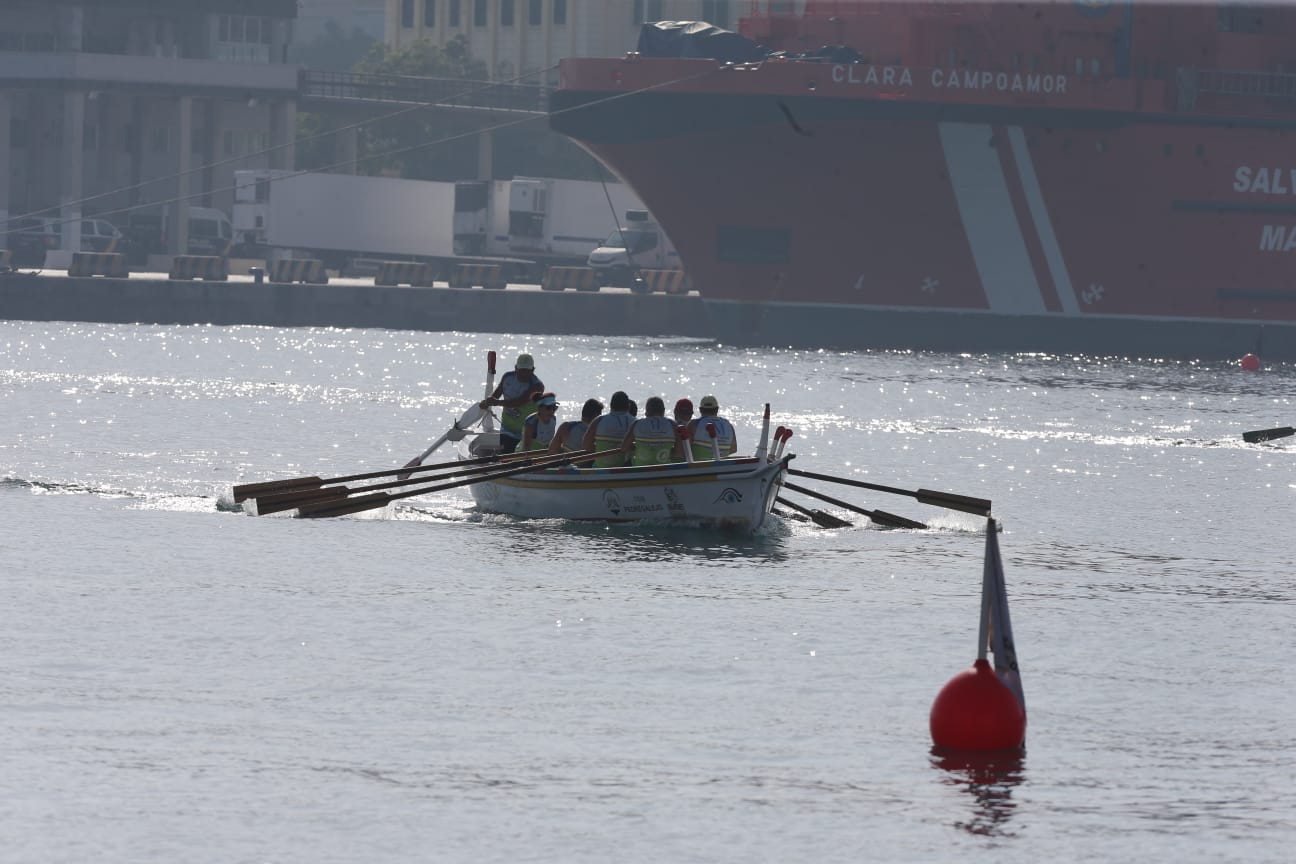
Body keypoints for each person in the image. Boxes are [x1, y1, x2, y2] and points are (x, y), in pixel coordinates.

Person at [479, 353, 544, 454]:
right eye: (521, 371)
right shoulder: (507, 377)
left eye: (527, 372)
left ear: (533, 370)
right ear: (516, 368)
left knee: (520, 459)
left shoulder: (537, 386)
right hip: (507, 429)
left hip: (528, 433)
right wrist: (488, 401)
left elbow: (519, 402)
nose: (524, 375)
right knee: (506, 454)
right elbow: (497, 393)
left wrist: (496, 402)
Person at [620, 395, 681, 466]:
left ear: (647, 411)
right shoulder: (673, 425)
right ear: (663, 411)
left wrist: (638, 446)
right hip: (663, 470)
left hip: (640, 469)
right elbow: (679, 453)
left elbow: (624, 448)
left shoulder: (637, 423)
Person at [582, 390, 634, 467]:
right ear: (628, 406)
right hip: (626, 469)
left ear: (611, 405)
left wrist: (599, 450)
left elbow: (586, 445)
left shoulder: (599, 420)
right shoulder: (635, 422)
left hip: (601, 468)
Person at [686, 394, 737, 459]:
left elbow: (683, 449)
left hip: (699, 466)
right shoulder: (728, 425)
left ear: (700, 410)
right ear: (717, 409)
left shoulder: (694, 424)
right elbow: (734, 449)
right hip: (722, 466)